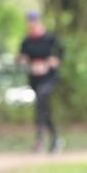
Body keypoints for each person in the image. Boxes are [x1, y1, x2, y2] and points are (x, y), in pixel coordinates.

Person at [19, 11, 64, 152]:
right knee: (43, 108)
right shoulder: (26, 41)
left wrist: (54, 60)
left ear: (39, 23)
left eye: (34, 23)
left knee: (41, 100)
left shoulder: (50, 39)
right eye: (29, 24)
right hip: (35, 79)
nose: (32, 26)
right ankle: (55, 139)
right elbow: (21, 57)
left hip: (49, 78)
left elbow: (61, 52)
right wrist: (25, 61)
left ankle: (39, 140)